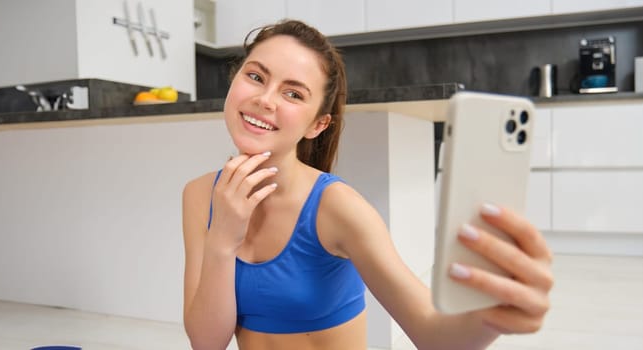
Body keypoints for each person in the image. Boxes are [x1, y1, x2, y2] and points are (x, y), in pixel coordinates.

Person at [181, 19, 553, 350]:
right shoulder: (199, 196)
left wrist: (488, 317)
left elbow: (434, 334)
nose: (264, 99)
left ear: (317, 125)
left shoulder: (338, 207)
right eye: (256, 76)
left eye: (293, 93)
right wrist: (221, 242)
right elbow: (206, 342)